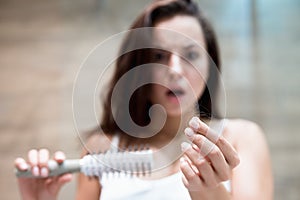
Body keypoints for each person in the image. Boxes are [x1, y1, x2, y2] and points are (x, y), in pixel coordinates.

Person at [14, 0, 273, 199]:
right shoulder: (100, 147)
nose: (176, 69)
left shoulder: (241, 137)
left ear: (210, 64)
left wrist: (213, 193)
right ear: (138, 68)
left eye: (191, 54)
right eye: (159, 56)